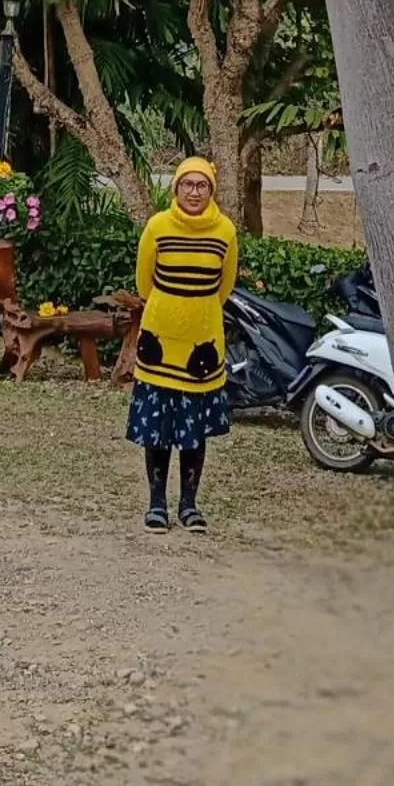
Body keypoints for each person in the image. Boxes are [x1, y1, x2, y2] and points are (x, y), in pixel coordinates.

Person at [127, 155, 238, 531]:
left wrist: (198, 310)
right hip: (160, 339)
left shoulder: (224, 232)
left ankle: (189, 505)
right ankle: (156, 504)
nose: (194, 192)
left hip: (201, 343)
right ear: (176, 188)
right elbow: (145, 283)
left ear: (211, 190)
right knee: (156, 428)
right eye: (187, 185)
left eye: (202, 185)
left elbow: (225, 286)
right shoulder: (157, 227)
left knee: (193, 431)